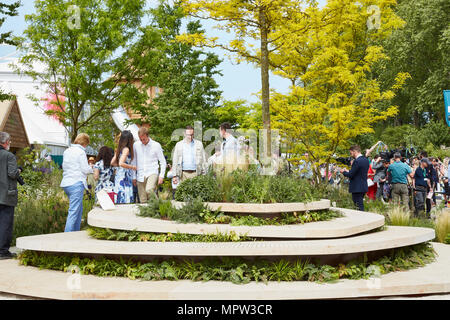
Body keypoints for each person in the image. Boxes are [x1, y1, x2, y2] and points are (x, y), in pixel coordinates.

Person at [60, 133, 93, 232]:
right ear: (84, 143)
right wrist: (91, 168)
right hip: (76, 183)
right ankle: (68, 238)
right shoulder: (81, 152)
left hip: (66, 183)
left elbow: (64, 166)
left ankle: (76, 233)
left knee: (78, 210)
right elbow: (84, 169)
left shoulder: (67, 151)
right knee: (74, 212)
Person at [0, 132, 21, 259]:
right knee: (5, 224)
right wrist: (19, 170)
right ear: (6, 142)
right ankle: (3, 252)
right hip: (6, 195)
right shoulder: (9, 156)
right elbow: (13, 174)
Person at [131, 127, 166, 203]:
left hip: (152, 172)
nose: (142, 141)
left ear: (148, 136)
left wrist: (161, 176)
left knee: (149, 190)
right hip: (140, 174)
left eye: (144, 139)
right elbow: (134, 161)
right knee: (143, 200)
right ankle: (148, 213)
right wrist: (134, 176)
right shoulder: (136, 145)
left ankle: (160, 206)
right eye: (141, 139)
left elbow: (163, 162)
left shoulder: (156, 145)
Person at [340, 145, 370, 211]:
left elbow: (351, 175)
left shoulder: (357, 161)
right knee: (360, 204)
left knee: (358, 206)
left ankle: (362, 220)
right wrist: (348, 171)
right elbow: (358, 172)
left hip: (357, 187)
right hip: (363, 185)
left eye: (351, 153)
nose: (351, 155)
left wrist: (343, 172)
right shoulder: (366, 160)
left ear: (354, 151)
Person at [112, 130, 136, 204]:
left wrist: (119, 167)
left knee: (119, 196)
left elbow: (112, 163)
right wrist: (132, 167)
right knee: (125, 197)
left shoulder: (119, 149)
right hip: (124, 176)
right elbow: (121, 163)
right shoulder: (126, 149)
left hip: (119, 175)